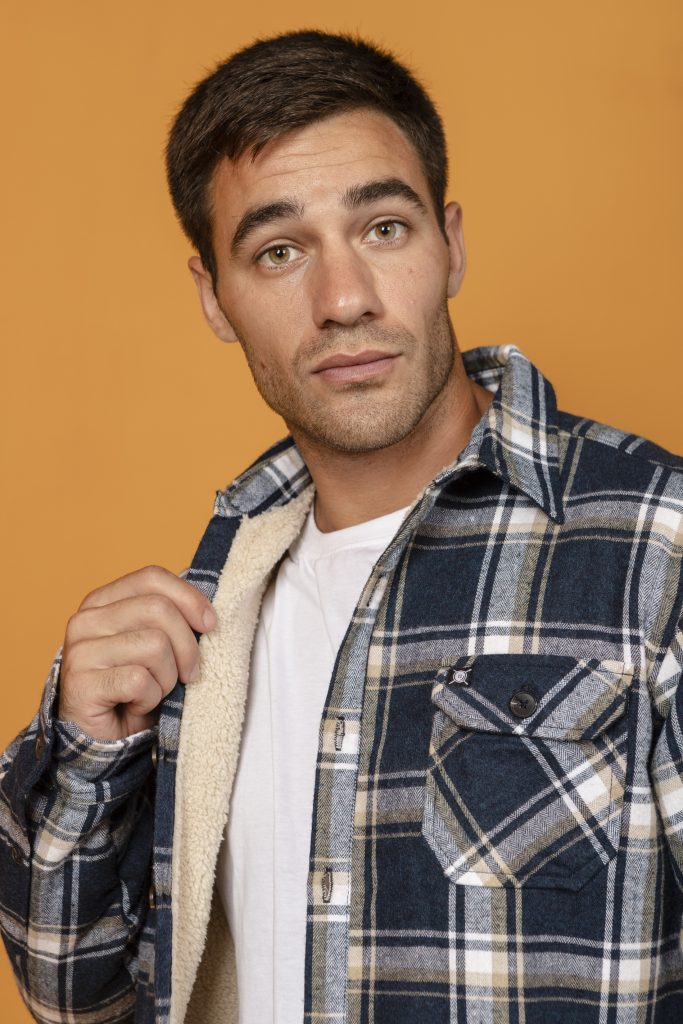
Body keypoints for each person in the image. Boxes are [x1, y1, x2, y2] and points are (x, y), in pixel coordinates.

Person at [1, 27, 682, 1024]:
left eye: (383, 228)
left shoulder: (654, 542)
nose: (343, 300)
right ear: (215, 298)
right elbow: (74, 998)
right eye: (278, 252)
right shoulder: (212, 608)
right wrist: (87, 753)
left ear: (450, 245)